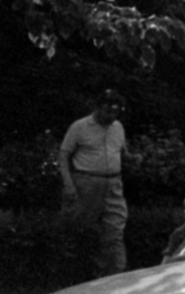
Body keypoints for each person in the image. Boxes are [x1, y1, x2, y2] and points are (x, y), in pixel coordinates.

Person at [58, 90, 138, 276]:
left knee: (115, 228)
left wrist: (132, 158)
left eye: (116, 112)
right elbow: (63, 155)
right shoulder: (80, 127)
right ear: (98, 108)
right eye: (108, 111)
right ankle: (78, 273)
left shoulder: (117, 127)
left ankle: (116, 272)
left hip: (113, 183)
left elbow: (122, 152)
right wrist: (69, 184)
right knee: (81, 229)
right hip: (86, 182)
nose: (111, 116)